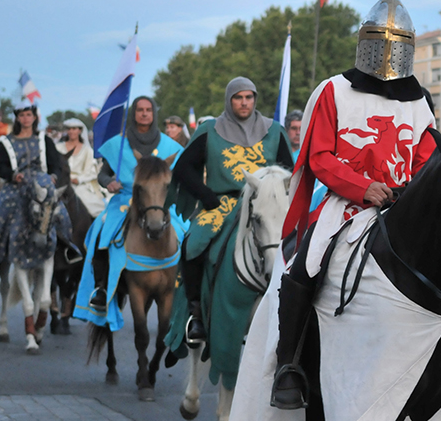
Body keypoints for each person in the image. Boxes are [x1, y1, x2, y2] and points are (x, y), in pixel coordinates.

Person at [269, 0, 439, 409]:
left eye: (395, 45)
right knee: (305, 264)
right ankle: (288, 364)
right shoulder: (334, 91)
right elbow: (319, 156)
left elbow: (428, 157)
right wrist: (362, 187)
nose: (387, 54)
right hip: (346, 205)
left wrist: (407, 191)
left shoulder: (420, 102)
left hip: (402, 205)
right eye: (380, 42)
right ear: (365, 43)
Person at [170, 78, 293, 345]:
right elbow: (183, 168)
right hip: (221, 204)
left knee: (297, 247)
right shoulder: (209, 129)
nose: (244, 102)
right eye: (238, 97)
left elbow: (289, 172)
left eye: (249, 97)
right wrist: (206, 196)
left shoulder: (274, 130)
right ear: (229, 100)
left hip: (263, 205)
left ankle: (294, 311)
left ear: (255, 99)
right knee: (192, 245)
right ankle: (196, 315)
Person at [75, 96, 186, 326]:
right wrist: (109, 183)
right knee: (101, 229)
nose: (144, 114)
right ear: (133, 113)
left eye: (148, 110)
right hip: (125, 199)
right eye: (140, 110)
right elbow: (103, 173)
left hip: (160, 202)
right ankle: (102, 288)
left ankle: (187, 291)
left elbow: (180, 176)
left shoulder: (170, 146)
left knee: (187, 233)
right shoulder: (118, 144)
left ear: (154, 113)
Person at [0, 102, 69, 281]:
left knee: (61, 213)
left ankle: (68, 249)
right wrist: (12, 175)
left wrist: (53, 175)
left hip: (41, 183)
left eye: (29, 115)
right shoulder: (6, 142)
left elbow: (55, 163)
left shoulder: (43, 139)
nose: (25, 118)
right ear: (17, 118)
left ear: (34, 117)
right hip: (16, 184)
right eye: (22, 115)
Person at [60, 117, 106, 217]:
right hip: (60, 183)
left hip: (79, 186)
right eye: (69, 129)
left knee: (94, 209)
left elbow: (92, 172)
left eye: (74, 129)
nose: (71, 131)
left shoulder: (87, 151)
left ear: (80, 130)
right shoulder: (58, 147)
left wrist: (78, 179)